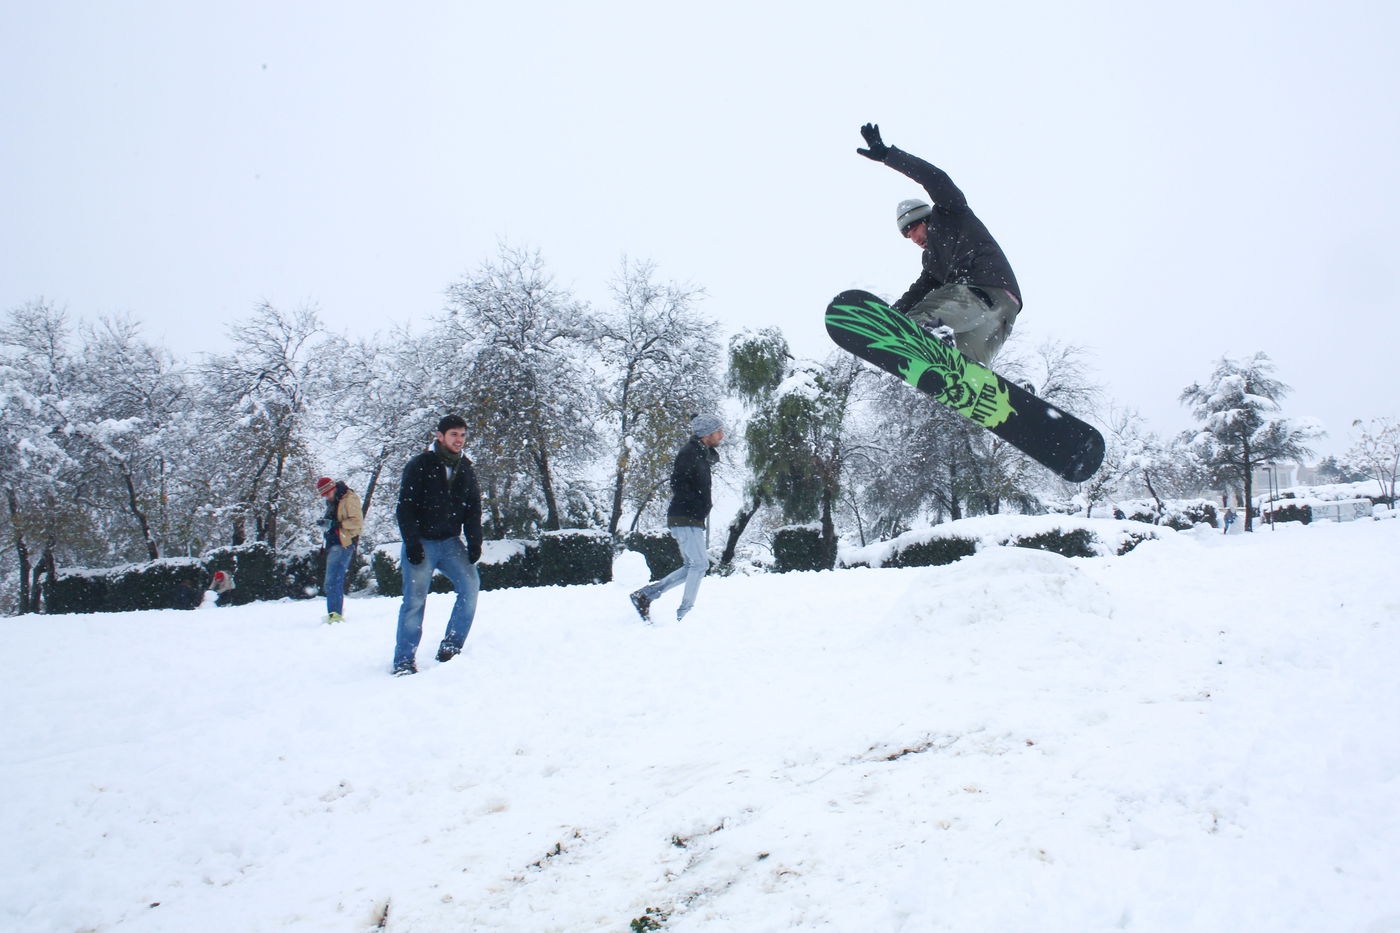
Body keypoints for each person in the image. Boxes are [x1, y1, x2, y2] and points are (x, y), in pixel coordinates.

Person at [857, 122, 1022, 367]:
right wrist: (889, 315)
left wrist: (888, 155)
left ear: (925, 218)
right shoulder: (932, 262)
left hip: (981, 289)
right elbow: (917, 291)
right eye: (908, 237)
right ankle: (1022, 391)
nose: (914, 239)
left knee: (917, 322)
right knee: (964, 373)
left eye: (914, 229)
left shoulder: (951, 213)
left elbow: (935, 178)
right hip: (1005, 311)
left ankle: (934, 334)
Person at [392, 414, 484, 676]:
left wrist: (475, 541)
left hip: (450, 543)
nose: (459, 440)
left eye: (463, 435)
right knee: (414, 601)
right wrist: (412, 542)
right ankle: (404, 661)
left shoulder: (465, 467)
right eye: (454, 434)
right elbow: (405, 507)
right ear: (440, 436)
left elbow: (473, 508)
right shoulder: (420, 464)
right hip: (421, 542)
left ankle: (452, 646)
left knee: (470, 586)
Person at [629, 414, 724, 623]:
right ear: (707, 434)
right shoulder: (689, 453)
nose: (722, 435)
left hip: (690, 517)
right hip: (686, 516)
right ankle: (685, 614)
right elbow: (678, 482)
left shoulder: (700, 453)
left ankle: (646, 595)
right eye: (718, 431)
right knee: (699, 565)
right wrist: (696, 505)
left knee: (694, 565)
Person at [315, 476, 364, 623]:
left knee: (333, 580)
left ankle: (335, 614)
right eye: (324, 495)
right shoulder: (333, 501)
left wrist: (336, 524)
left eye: (327, 494)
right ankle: (334, 613)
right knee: (331, 581)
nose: (326, 497)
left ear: (333, 489)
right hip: (333, 543)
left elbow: (357, 522)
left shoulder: (349, 498)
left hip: (343, 543)